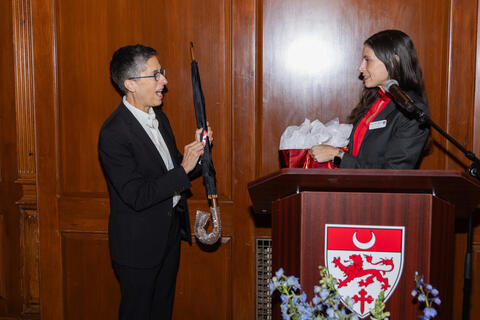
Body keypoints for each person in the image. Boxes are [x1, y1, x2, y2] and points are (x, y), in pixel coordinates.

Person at [98, 44, 212, 319]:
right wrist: (183, 168)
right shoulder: (113, 133)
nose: (164, 80)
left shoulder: (159, 117)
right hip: (138, 247)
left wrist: (197, 152)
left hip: (168, 236)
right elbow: (137, 195)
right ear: (130, 84)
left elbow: (173, 172)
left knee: (162, 312)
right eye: (156, 74)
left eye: (162, 72)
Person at [310, 30, 430, 169]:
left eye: (367, 60)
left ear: (393, 61)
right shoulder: (375, 100)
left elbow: (394, 174)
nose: (360, 67)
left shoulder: (412, 109)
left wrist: (338, 155)